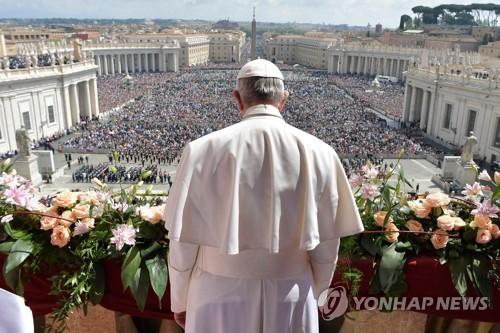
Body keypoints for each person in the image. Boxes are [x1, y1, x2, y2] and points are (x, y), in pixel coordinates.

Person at [164, 59, 364, 333]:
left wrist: (180, 300)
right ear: (284, 99)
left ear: (237, 98)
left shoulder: (201, 150)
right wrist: (317, 292)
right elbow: (327, 246)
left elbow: (182, 243)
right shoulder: (322, 153)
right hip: (291, 293)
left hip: (216, 294)